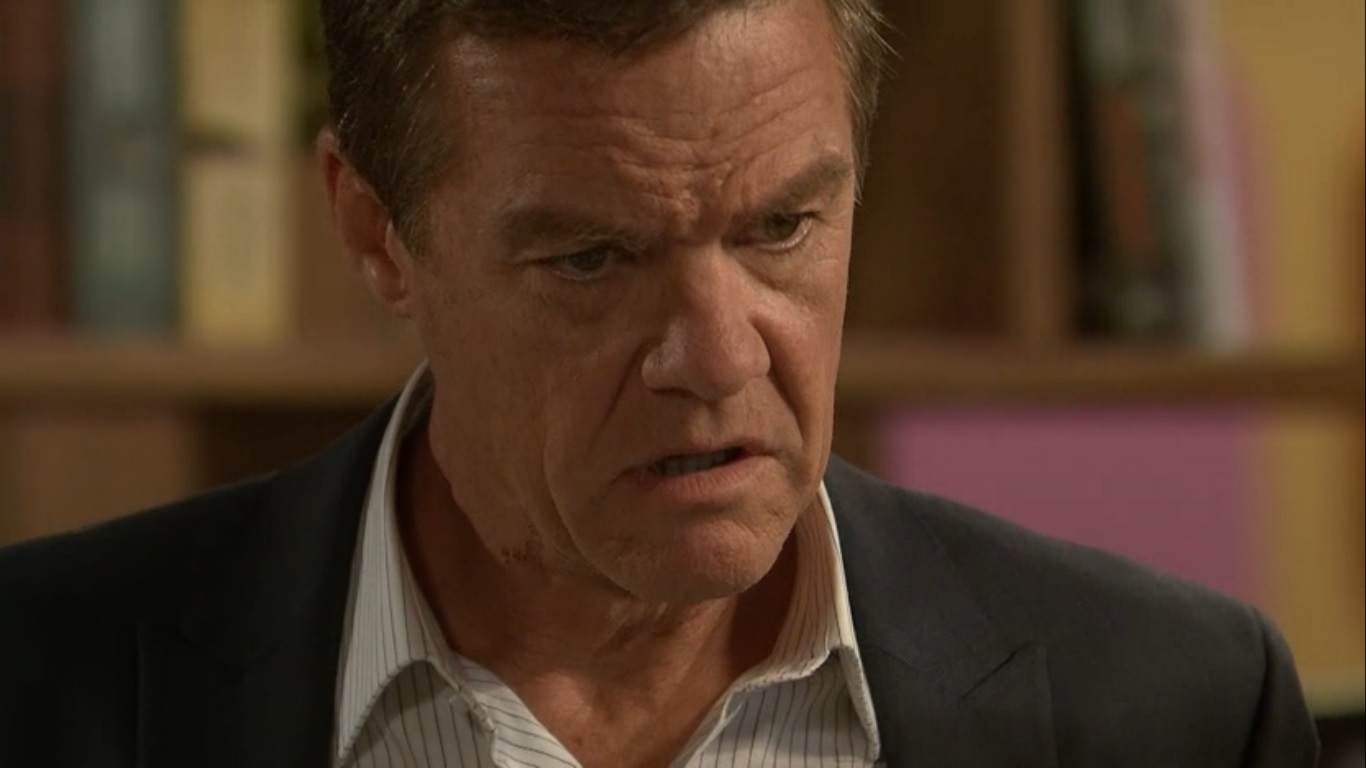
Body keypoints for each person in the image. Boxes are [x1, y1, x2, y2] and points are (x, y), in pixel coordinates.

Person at [0, 0, 1319, 765]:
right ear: (375, 230)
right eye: (591, 258)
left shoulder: (1179, 710)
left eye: (781, 229)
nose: (719, 357)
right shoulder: (40, 684)